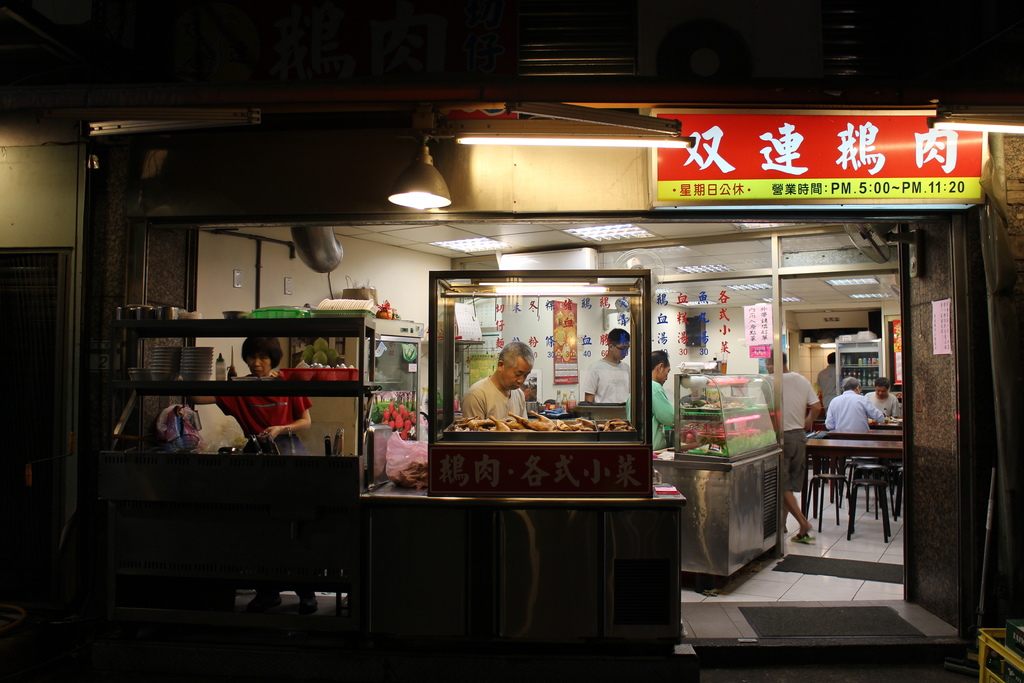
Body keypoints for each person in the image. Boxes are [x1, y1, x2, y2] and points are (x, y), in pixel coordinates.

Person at [191, 336, 317, 615]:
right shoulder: (241, 388)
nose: (256, 363)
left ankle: (306, 592)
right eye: (252, 357)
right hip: (256, 460)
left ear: (274, 360)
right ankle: (268, 592)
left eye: (263, 358)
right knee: (262, 528)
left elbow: (306, 422)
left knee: (294, 526)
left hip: (291, 458)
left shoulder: (288, 385)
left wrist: (281, 429)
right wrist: (188, 373)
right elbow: (197, 397)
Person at [766, 353, 822, 544]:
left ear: (775, 363)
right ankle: (781, 525)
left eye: (768, 364)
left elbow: (766, 411)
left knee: (782, 485)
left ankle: (802, 522)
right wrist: (807, 421)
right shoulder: (802, 380)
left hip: (781, 437)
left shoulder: (771, 382)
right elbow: (816, 407)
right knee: (788, 485)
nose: (767, 368)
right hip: (799, 437)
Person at [462, 341, 535, 419]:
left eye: (526, 375)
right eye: (518, 374)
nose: (521, 380)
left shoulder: (519, 394)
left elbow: (523, 429)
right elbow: (475, 429)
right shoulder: (477, 395)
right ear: (501, 365)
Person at [626, 350, 675, 450]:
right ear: (660, 367)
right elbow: (670, 418)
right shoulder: (654, 387)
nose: (667, 377)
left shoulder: (638, 388)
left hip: (639, 447)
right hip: (652, 450)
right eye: (667, 371)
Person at [582, 328, 630, 403]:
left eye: (627, 348)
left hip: (624, 412)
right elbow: (589, 398)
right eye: (622, 348)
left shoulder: (626, 368)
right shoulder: (596, 368)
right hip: (603, 413)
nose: (625, 352)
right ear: (611, 347)